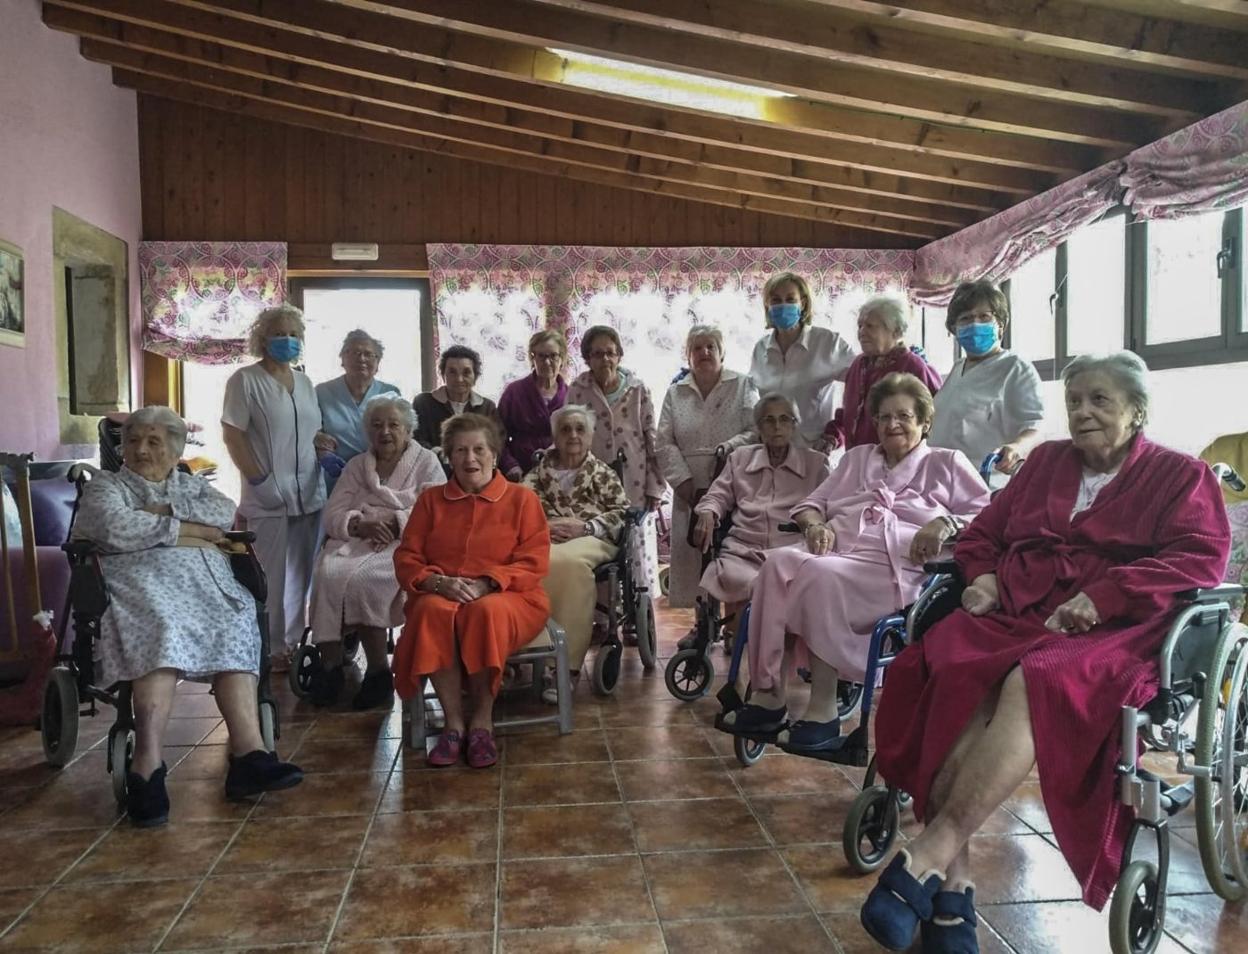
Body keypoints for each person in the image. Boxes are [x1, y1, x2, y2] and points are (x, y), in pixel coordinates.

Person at [861, 352, 1230, 953]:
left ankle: (929, 854)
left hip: (1114, 627)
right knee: (942, 662)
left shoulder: (1181, 475)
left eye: (1100, 400)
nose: (1082, 412)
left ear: (1137, 411)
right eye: (1075, 400)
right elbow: (983, 533)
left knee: (1036, 678)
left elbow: (1199, 558)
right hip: (1021, 607)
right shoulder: (1046, 463)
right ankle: (951, 885)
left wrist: (1106, 593)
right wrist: (981, 576)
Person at [718, 374, 990, 754]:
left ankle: (822, 709)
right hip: (837, 550)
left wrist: (945, 523)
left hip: (895, 566)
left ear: (925, 421)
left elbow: (988, 515)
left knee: (817, 573)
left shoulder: (946, 463)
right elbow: (813, 503)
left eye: (903, 416)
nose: (892, 424)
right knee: (776, 563)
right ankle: (768, 695)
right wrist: (813, 526)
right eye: (883, 417)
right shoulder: (857, 458)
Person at [71, 406, 303, 827]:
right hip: (141, 583)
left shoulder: (192, 485)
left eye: (154, 441)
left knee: (234, 620)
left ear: (176, 449)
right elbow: (113, 528)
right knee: (161, 628)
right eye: (134, 440)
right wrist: (187, 530)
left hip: (203, 581)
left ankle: (250, 754)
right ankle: (147, 768)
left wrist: (158, 516)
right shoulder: (106, 486)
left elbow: (222, 513)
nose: (141, 449)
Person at [391, 414, 551, 769]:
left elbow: (534, 561)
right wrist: (437, 582)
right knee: (432, 611)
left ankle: (481, 721)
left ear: (494, 453)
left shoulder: (522, 500)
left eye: (479, 449)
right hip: (442, 591)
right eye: (461, 450)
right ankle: (453, 725)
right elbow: (407, 557)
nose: (470, 459)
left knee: (484, 612)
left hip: (511, 596)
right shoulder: (431, 501)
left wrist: (488, 582)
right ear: (449, 456)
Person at [307, 394, 446, 710]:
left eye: (394, 425)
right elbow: (333, 513)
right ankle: (330, 666)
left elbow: (439, 509)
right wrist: (357, 524)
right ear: (368, 431)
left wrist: (395, 521)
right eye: (377, 425)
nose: (385, 432)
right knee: (327, 572)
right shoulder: (357, 465)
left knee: (368, 580)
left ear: (408, 430)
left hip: (404, 543)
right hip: (354, 540)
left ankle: (379, 672)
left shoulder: (426, 463)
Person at [222, 304, 327, 673]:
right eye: (280, 333)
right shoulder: (245, 380)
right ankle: (269, 649)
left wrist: (321, 442)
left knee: (303, 573)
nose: (288, 340)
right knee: (270, 577)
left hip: (309, 491)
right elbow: (233, 434)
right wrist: (258, 480)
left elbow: (307, 432)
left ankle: (296, 643)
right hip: (268, 495)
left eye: (295, 334)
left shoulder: (305, 382)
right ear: (263, 338)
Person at [690, 393, 830, 644]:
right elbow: (717, 495)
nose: (777, 427)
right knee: (739, 578)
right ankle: (739, 637)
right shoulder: (740, 459)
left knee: (789, 581)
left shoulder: (816, 464)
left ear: (794, 424)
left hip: (790, 551)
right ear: (759, 427)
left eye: (784, 419)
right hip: (744, 548)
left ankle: (775, 644)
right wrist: (707, 512)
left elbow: (830, 506)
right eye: (769, 420)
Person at [523, 405, 630, 699]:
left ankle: (566, 667)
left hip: (592, 539)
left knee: (565, 562)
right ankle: (540, 654)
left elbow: (623, 513)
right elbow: (518, 513)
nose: (573, 435)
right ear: (554, 436)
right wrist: (544, 528)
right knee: (535, 563)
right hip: (545, 538)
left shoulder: (603, 474)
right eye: (565, 429)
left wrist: (587, 527)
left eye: (580, 429)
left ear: (591, 436)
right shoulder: (536, 475)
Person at [657, 325, 757, 610]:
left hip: (733, 481)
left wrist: (728, 447)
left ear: (722, 351)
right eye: (697, 348)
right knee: (693, 559)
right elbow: (663, 441)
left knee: (731, 554)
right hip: (688, 485)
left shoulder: (742, 384)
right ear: (688, 355)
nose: (704, 352)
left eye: (711, 346)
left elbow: (754, 430)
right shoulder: (676, 392)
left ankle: (731, 626)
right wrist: (685, 484)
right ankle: (701, 624)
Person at [926, 280, 1045, 479]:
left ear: (1000, 325)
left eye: (984, 316)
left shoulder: (1014, 368)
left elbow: (1035, 427)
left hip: (986, 483)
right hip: (943, 480)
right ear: (954, 328)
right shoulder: (958, 368)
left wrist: (1016, 447)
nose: (975, 324)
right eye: (965, 318)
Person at [748, 271, 855, 447]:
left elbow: (863, 386)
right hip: (771, 452)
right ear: (767, 305)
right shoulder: (761, 349)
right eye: (775, 300)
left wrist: (838, 432)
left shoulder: (828, 343)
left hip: (814, 451)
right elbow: (754, 401)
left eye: (790, 299)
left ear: (803, 304)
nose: (783, 305)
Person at [823, 295, 942, 451]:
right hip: (860, 462)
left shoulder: (913, 366)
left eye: (870, 326)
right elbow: (848, 415)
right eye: (860, 326)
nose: (862, 332)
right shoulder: (859, 365)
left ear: (896, 331)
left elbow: (935, 420)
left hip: (899, 462)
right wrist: (833, 437)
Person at [566, 325, 664, 510]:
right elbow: (567, 439)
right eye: (597, 354)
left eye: (611, 353)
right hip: (590, 481)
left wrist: (655, 487)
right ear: (588, 359)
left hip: (634, 481)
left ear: (619, 356)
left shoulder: (637, 390)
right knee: (594, 535)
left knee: (631, 535)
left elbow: (652, 440)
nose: (605, 359)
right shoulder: (577, 390)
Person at [314, 330, 401, 494]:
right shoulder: (322, 392)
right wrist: (319, 444)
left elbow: (403, 435)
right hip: (337, 479)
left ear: (378, 362)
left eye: (369, 354)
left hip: (381, 477)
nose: (361, 358)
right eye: (354, 352)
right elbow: (310, 431)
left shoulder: (391, 393)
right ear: (342, 359)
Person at [498, 329, 569, 479]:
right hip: (520, 469)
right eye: (541, 356)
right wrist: (510, 465)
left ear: (562, 359)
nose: (547, 362)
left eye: (553, 356)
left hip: (560, 469)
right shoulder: (514, 391)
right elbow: (497, 434)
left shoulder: (572, 394)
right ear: (533, 358)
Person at [412, 345, 502, 451]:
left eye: (466, 373)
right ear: (443, 375)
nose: (459, 379)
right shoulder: (423, 403)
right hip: (433, 465)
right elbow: (415, 441)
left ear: (475, 376)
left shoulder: (487, 407)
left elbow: (497, 443)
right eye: (452, 372)